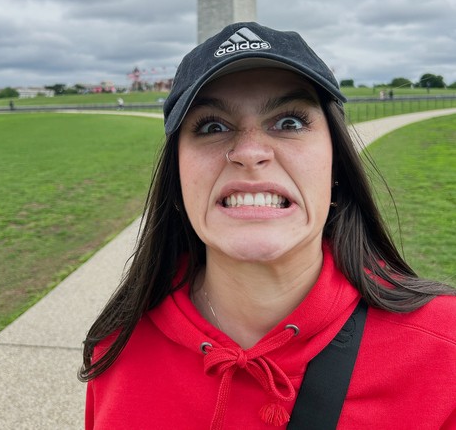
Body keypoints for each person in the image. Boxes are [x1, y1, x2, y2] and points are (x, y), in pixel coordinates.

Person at [80, 22, 455, 429]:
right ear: (178, 175)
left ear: (335, 165)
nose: (250, 152)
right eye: (212, 126)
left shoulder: (445, 350)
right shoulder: (117, 348)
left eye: (289, 122)